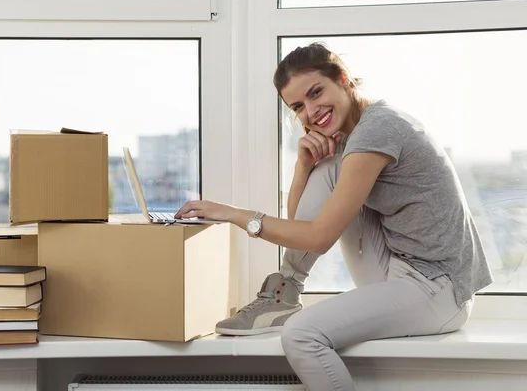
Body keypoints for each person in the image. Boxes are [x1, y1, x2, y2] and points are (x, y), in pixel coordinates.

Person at [174, 42, 493, 391]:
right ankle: (285, 291)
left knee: (301, 334)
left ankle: (285, 294)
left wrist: (233, 213)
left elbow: (318, 238)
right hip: (398, 267)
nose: (311, 112)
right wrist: (302, 167)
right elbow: (302, 227)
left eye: (316, 93)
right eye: (298, 106)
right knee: (329, 163)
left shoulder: (378, 129)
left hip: (439, 289)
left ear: (342, 79)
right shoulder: (351, 136)